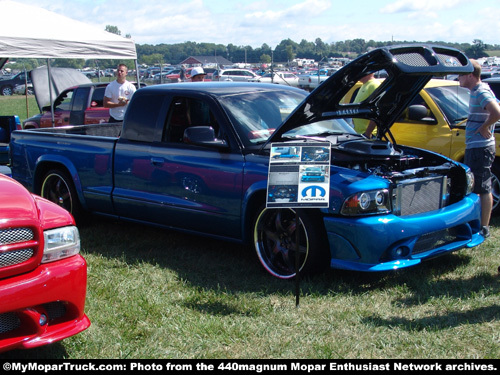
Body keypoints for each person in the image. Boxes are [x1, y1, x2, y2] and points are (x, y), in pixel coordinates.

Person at [459, 59, 500, 238]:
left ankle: (483, 227)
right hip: (477, 146)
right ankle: (477, 223)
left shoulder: (480, 91)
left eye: (461, 74)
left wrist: (484, 127)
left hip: (480, 147)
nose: (458, 78)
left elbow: (497, 111)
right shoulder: (479, 90)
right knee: (477, 185)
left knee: (482, 187)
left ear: (470, 74)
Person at [352, 73, 381, 138]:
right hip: (359, 133)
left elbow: (378, 111)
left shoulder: (374, 85)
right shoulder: (364, 85)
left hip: (368, 135)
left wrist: (368, 133)